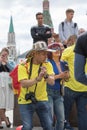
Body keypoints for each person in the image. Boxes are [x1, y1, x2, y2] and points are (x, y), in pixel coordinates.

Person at [18, 41, 55, 130]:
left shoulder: (47, 64)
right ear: (35, 53)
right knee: (27, 127)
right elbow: (23, 84)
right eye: (43, 54)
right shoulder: (23, 65)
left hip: (42, 99)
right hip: (25, 100)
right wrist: (37, 79)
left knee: (49, 126)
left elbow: (52, 82)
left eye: (46, 53)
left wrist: (45, 75)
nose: (46, 56)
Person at [61, 37, 87, 130]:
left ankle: (65, 126)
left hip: (71, 86)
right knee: (83, 114)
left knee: (65, 112)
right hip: (85, 87)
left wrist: (66, 70)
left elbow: (61, 62)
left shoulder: (69, 50)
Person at [47, 42, 69, 130]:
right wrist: (60, 76)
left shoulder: (63, 63)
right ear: (50, 52)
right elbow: (47, 78)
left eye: (59, 49)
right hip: (48, 91)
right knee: (50, 118)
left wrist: (67, 76)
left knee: (61, 119)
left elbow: (67, 78)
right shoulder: (48, 62)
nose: (57, 50)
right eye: (54, 49)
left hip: (59, 92)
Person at [0, 47, 15, 128]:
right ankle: (6, 120)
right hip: (0, 83)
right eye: (3, 55)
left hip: (7, 84)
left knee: (5, 103)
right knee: (1, 102)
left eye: (6, 55)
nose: (4, 56)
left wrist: (7, 62)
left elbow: (14, 70)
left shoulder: (11, 62)